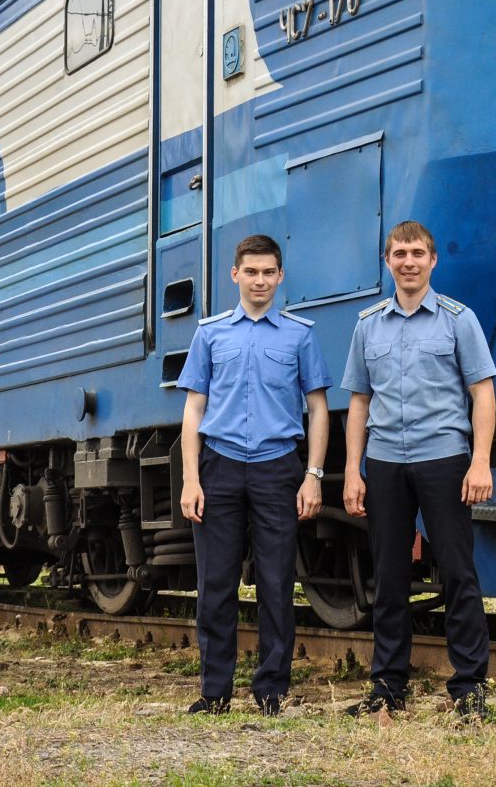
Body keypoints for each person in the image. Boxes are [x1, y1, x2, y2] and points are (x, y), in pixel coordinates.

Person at [341, 220, 496, 719]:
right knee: (388, 577)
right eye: (399, 253)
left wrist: (480, 461)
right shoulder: (368, 325)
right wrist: (352, 470)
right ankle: (388, 687)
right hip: (385, 461)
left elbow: (482, 393)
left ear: (433, 260)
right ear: (387, 261)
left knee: (457, 573)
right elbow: (359, 403)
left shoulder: (458, 320)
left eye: (417, 253)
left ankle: (469, 688)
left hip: (443, 458)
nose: (408, 262)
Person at [176, 234, 331, 716]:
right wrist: (190, 479)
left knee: (276, 583)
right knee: (215, 584)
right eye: (251, 272)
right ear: (235, 275)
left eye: (268, 272)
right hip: (218, 466)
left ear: (280, 277)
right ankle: (214, 692)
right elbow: (193, 409)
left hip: (277, 467)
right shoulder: (210, 334)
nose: (259, 280)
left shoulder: (300, 335)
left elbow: (318, 409)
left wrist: (313, 475)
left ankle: (271, 692)